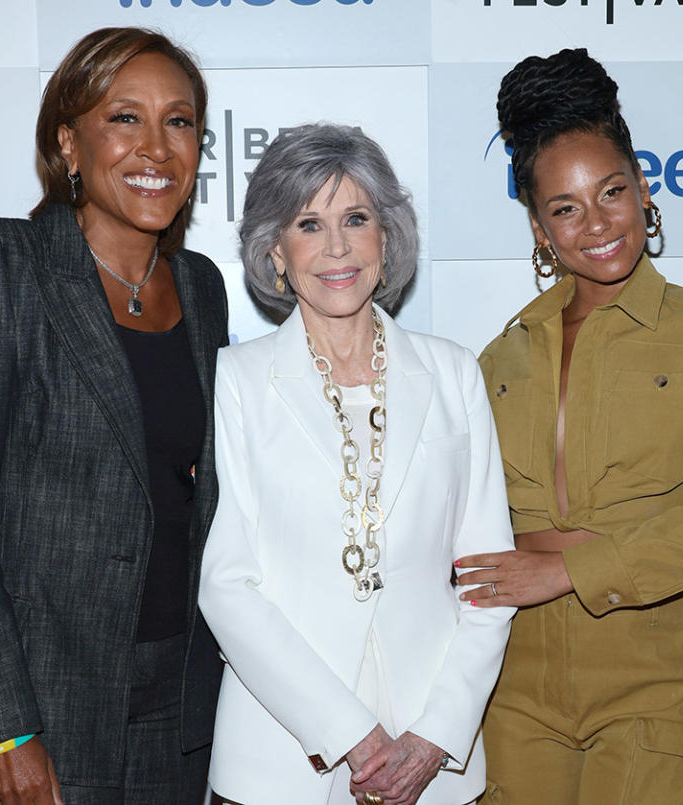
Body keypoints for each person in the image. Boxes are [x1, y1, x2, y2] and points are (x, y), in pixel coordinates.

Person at [455, 49, 683, 805]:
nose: (596, 223)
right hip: (513, 685)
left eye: (611, 192)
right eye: (564, 208)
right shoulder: (495, 358)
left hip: (657, 674)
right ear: (538, 227)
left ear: (643, 188)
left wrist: (568, 570)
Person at [0, 27, 229, 804]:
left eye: (179, 121)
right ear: (68, 142)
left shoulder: (203, 286)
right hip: (47, 700)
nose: (155, 147)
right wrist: (4, 729)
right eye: (125, 118)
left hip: (187, 700)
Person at [198, 123, 515, 805]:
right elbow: (226, 582)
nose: (336, 246)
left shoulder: (454, 373)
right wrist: (350, 734)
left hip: (435, 764)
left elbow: (488, 580)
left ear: (386, 236)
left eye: (355, 218)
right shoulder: (233, 381)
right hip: (278, 758)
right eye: (308, 223)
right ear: (275, 251)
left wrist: (435, 735)